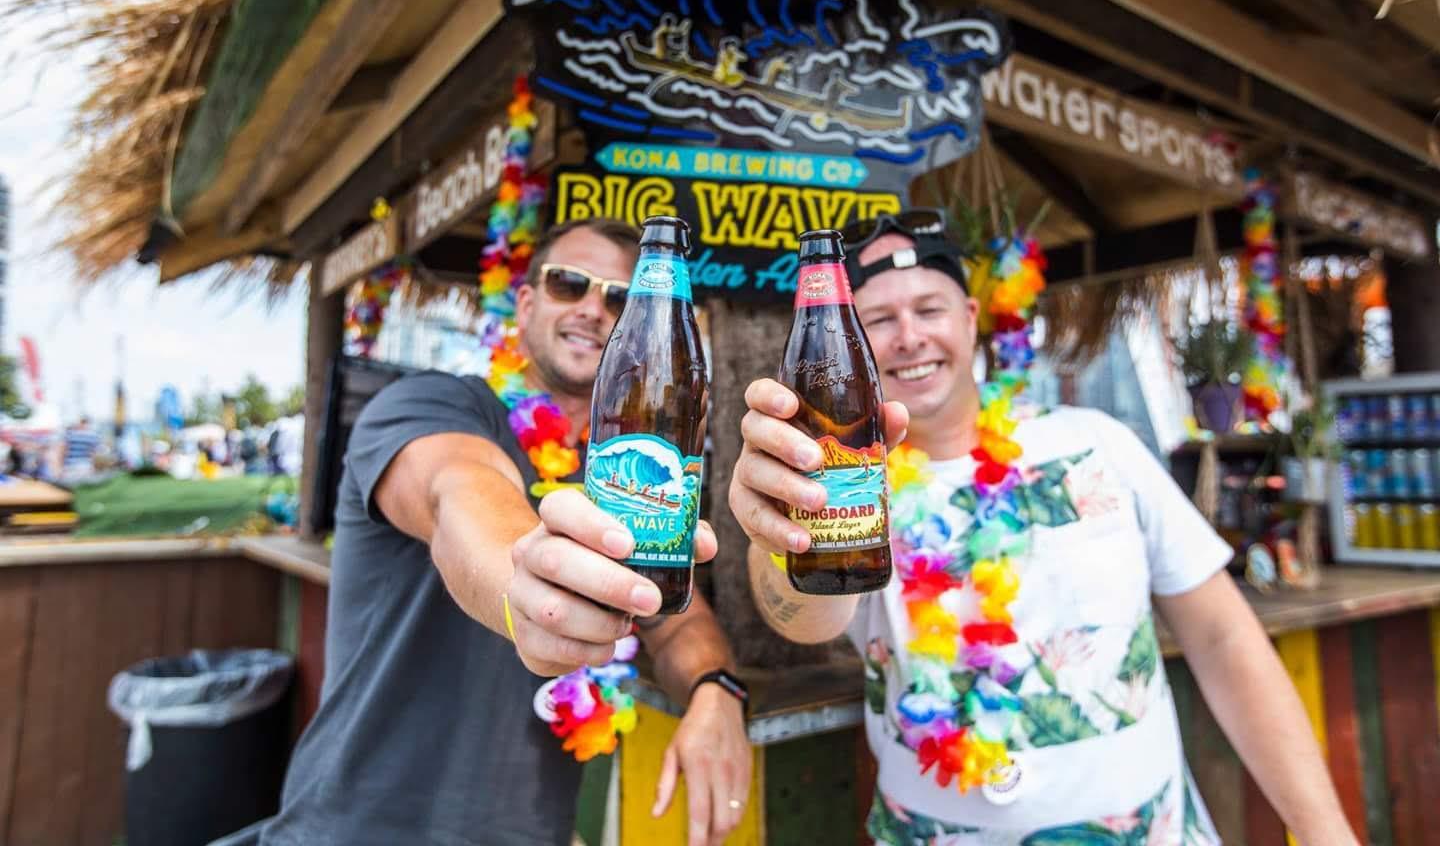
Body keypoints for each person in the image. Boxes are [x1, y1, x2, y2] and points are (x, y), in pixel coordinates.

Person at [729, 213, 1359, 845]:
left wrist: (1324, 830)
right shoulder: (843, 491)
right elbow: (803, 620)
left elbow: (1223, 637)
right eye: (879, 320)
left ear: (971, 316)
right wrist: (779, 526)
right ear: (848, 342)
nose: (909, 337)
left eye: (929, 309)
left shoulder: (1097, 443)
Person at [252, 220, 751, 846]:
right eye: (571, 284)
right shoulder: (426, 405)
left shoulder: (625, 474)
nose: (595, 310)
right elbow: (459, 495)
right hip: (357, 827)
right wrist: (528, 583)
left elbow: (675, 618)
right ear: (527, 301)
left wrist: (717, 689)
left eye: (622, 298)